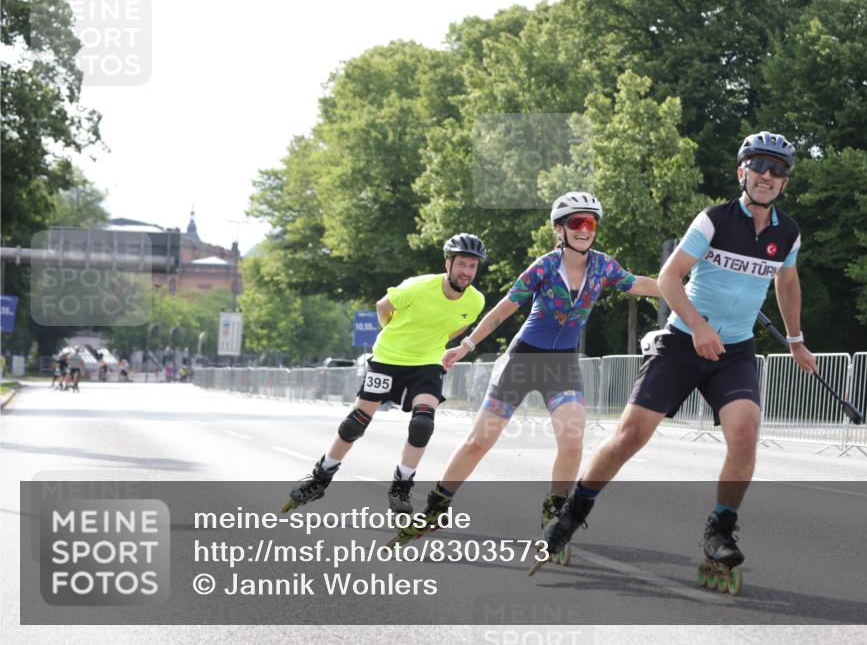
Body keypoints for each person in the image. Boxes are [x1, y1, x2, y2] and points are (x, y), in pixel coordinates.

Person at [538, 132, 817, 587]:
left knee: (745, 435)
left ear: (785, 181)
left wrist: (796, 338)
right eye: (759, 165)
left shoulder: (788, 233)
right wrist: (699, 326)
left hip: (736, 351)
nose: (767, 175)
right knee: (630, 437)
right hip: (684, 342)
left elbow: (788, 283)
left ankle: (720, 530)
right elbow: (669, 280)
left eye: (777, 169)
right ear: (741, 171)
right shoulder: (713, 220)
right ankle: (572, 513)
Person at [398, 192, 662, 557]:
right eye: (576, 223)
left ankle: (555, 513)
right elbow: (504, 309)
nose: (585, 230)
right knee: (480, 441)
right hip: (523, 359)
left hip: (563, 364)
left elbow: (642, 284)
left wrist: (685, 290)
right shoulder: (543, 267)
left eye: (591, 223)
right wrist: (466, 346)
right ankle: (438, 504)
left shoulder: (604, 267)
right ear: (560, 228)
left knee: (572, 441)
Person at [281, 234, 488, 514]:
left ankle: (401, 488)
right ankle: (320, 478)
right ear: (448, 263)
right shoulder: (417, 286)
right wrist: (392, 333)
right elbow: (382, 307)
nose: (466, 272)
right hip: (388, 359)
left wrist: (438, 344)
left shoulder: (475, 301)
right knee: (356, 422)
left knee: (423, 424)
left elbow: (460, 327)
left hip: (427, 363)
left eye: (472, 266)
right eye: (461, 264)